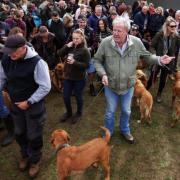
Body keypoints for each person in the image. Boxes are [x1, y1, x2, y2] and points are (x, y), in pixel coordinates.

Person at [94, 16, 174, 144]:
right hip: (111, 86)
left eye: (119, 31)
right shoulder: (105, 43)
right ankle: (108, 133)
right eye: (114, 30)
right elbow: (97, 60)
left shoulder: (136, 42)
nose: (115, 33)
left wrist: (159, 59)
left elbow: (147, 57)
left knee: (126, 110)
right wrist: (103, 74)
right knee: (110, 112)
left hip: (128, 85)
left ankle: (125, 130)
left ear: (127, 31)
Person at [0, 34, 51, 178]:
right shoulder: (6, 59)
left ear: (23, 48)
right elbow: (2, 78)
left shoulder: (37, 62)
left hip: (33, 105)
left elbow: (45, 87)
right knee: (19, 132)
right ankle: (25, 154)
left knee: (33, 135)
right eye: (8, 52)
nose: (10, 55)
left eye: (13, 51)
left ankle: (35, 159)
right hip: (16, 104)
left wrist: (29, 102)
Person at [59, 29, 90, 124]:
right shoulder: (70, 46)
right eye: (73, 38)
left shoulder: (85, 50)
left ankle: (79, 113)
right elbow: (59, 54)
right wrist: (66, 46)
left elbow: (87, 66)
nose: (75, 40)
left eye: (77, 38)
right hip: (68, 77)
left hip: (79, 78)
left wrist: (75, 62)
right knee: (65, 96)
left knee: (78, 96)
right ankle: (69, 113)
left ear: (82, 38)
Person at [147, 16, 180, 103]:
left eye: (175, 26)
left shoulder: (176, 36)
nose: (174, 28)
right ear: (167, 26)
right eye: (172, 26)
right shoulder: (160, 34)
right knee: (152, 78)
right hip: (159, 59)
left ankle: (159, 94)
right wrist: (155, 56)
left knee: (163, 78)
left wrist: (172, 56)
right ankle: (146, 90)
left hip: (168, 61)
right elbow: (152, 46)